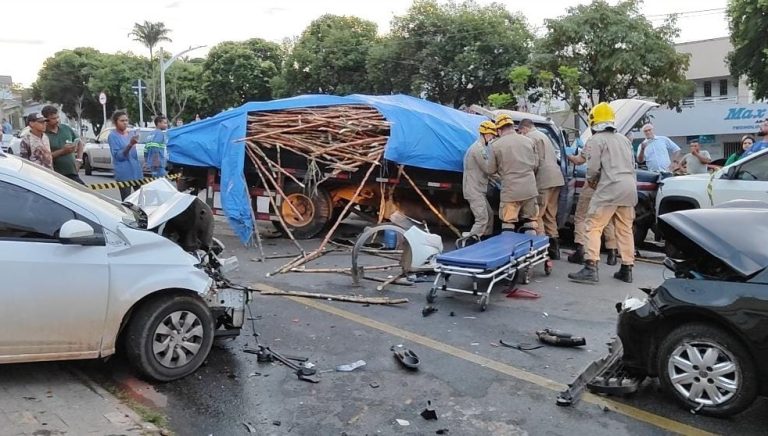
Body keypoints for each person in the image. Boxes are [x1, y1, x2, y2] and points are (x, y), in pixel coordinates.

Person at [568, 103, 637, 284]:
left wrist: (592, 182)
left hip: (609, 188)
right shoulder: (623, 139)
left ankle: (591, 267)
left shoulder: (596, 140)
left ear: (593, 122)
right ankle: (627, 268)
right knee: (625, 229)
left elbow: (591, 169)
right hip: (629, 189)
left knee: (593, 226)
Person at [566, 142, 620, 266]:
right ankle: (612, 252)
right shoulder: (618, 142)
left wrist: (568, 155)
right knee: (607, 219)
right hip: (609, 185)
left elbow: (579, 160)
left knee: (581, 216)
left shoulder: (593, 141)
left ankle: (580, 249)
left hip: (593, 183)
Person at [519, 118, 565, 259]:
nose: (521, 135)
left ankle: (542, 248)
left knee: (537, 214)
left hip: (543, 180)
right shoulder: (543, 135)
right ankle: (554, 248)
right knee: (550, 215)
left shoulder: (530, 138)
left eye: (520, 132)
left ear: (524, 129)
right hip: (556, 178)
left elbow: (535, 162)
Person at [488, 114, 539, 234]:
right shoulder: (529, 141)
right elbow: (536, 165)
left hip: (510, 190)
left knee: (508, 222)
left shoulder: (495, 145)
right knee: (530, 221)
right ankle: (532, 249)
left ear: (499, 130)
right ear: (512, 126)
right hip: (529, 188)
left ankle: (509, 247)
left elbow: (490, 169)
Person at [41, 105, 85, 184]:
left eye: (57, 117)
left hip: (72, 172)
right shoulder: (43, 135)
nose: (57, 120)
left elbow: (79, 142)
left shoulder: (66, 128)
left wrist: (79, 160)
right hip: (55, 175)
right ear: (46, 120)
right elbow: (45, 157)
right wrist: (63, 151)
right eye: (53, 119)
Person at [108, 111, 143, 200]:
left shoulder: (130, 133)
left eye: (126, 120)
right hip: (124, 173)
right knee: (127, 200)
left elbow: (135, 154)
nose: (125, 123)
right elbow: (118, 156)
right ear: (116, 122)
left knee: (140, 199)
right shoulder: (113, 136)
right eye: (122, 120)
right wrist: (130, 145)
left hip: (136, 172)